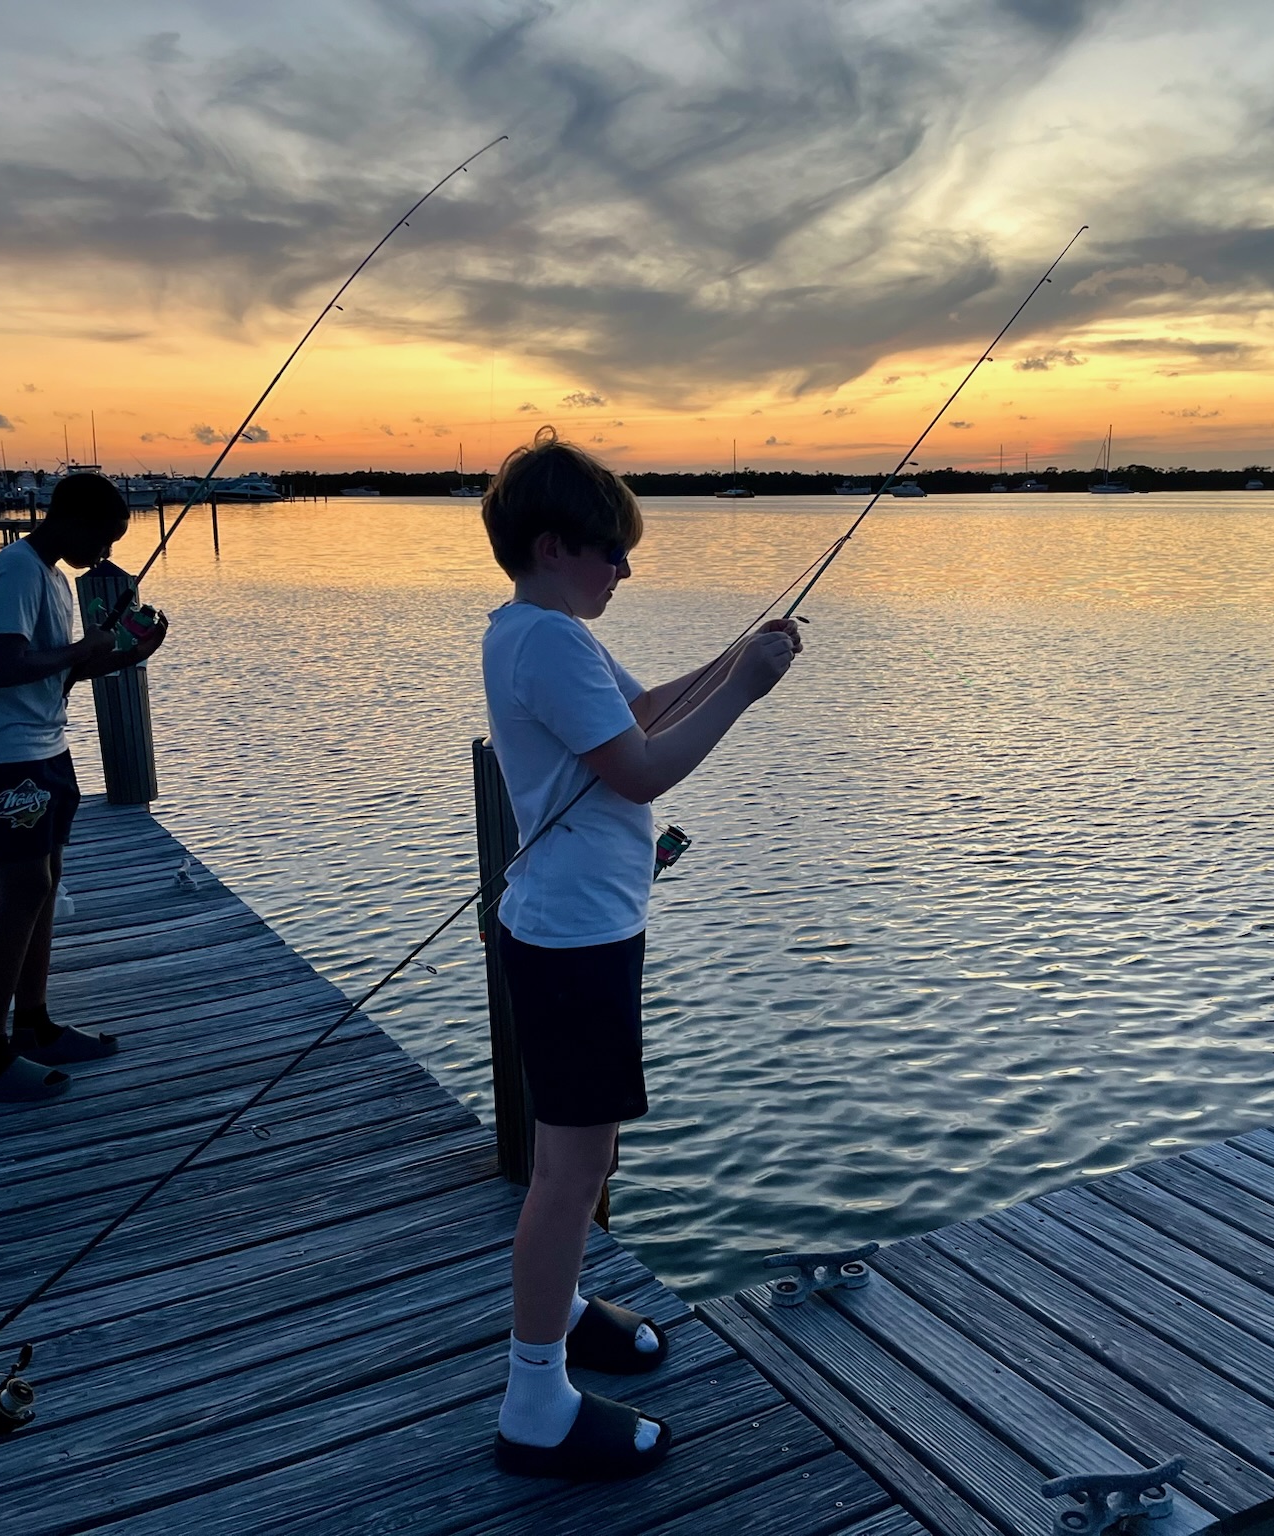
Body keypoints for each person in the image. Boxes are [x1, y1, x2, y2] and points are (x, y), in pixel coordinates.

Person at [480, 428, 801, 1480]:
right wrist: (748, 693)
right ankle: (534, 1400)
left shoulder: (538, 631)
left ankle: (561, 1308)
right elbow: (642, 769)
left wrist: (731, 658)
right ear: (551, 543)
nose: (624, 566)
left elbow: (642, 707)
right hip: (572, 938)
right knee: (569, 1171)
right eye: (609, 548)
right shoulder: (547, 641)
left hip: (584, 928)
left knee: (589, 1156)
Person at [0, 472, 167, 1102]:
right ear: (69, 519)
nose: (106, 554)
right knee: (25, 888)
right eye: (104, 537)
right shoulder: (16, 569)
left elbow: (58, 677)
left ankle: (33, 1026)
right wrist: (80, 648)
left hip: (42, 743)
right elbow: (7, 666)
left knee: (46, 884)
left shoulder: (56, 579)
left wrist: (127, 653)